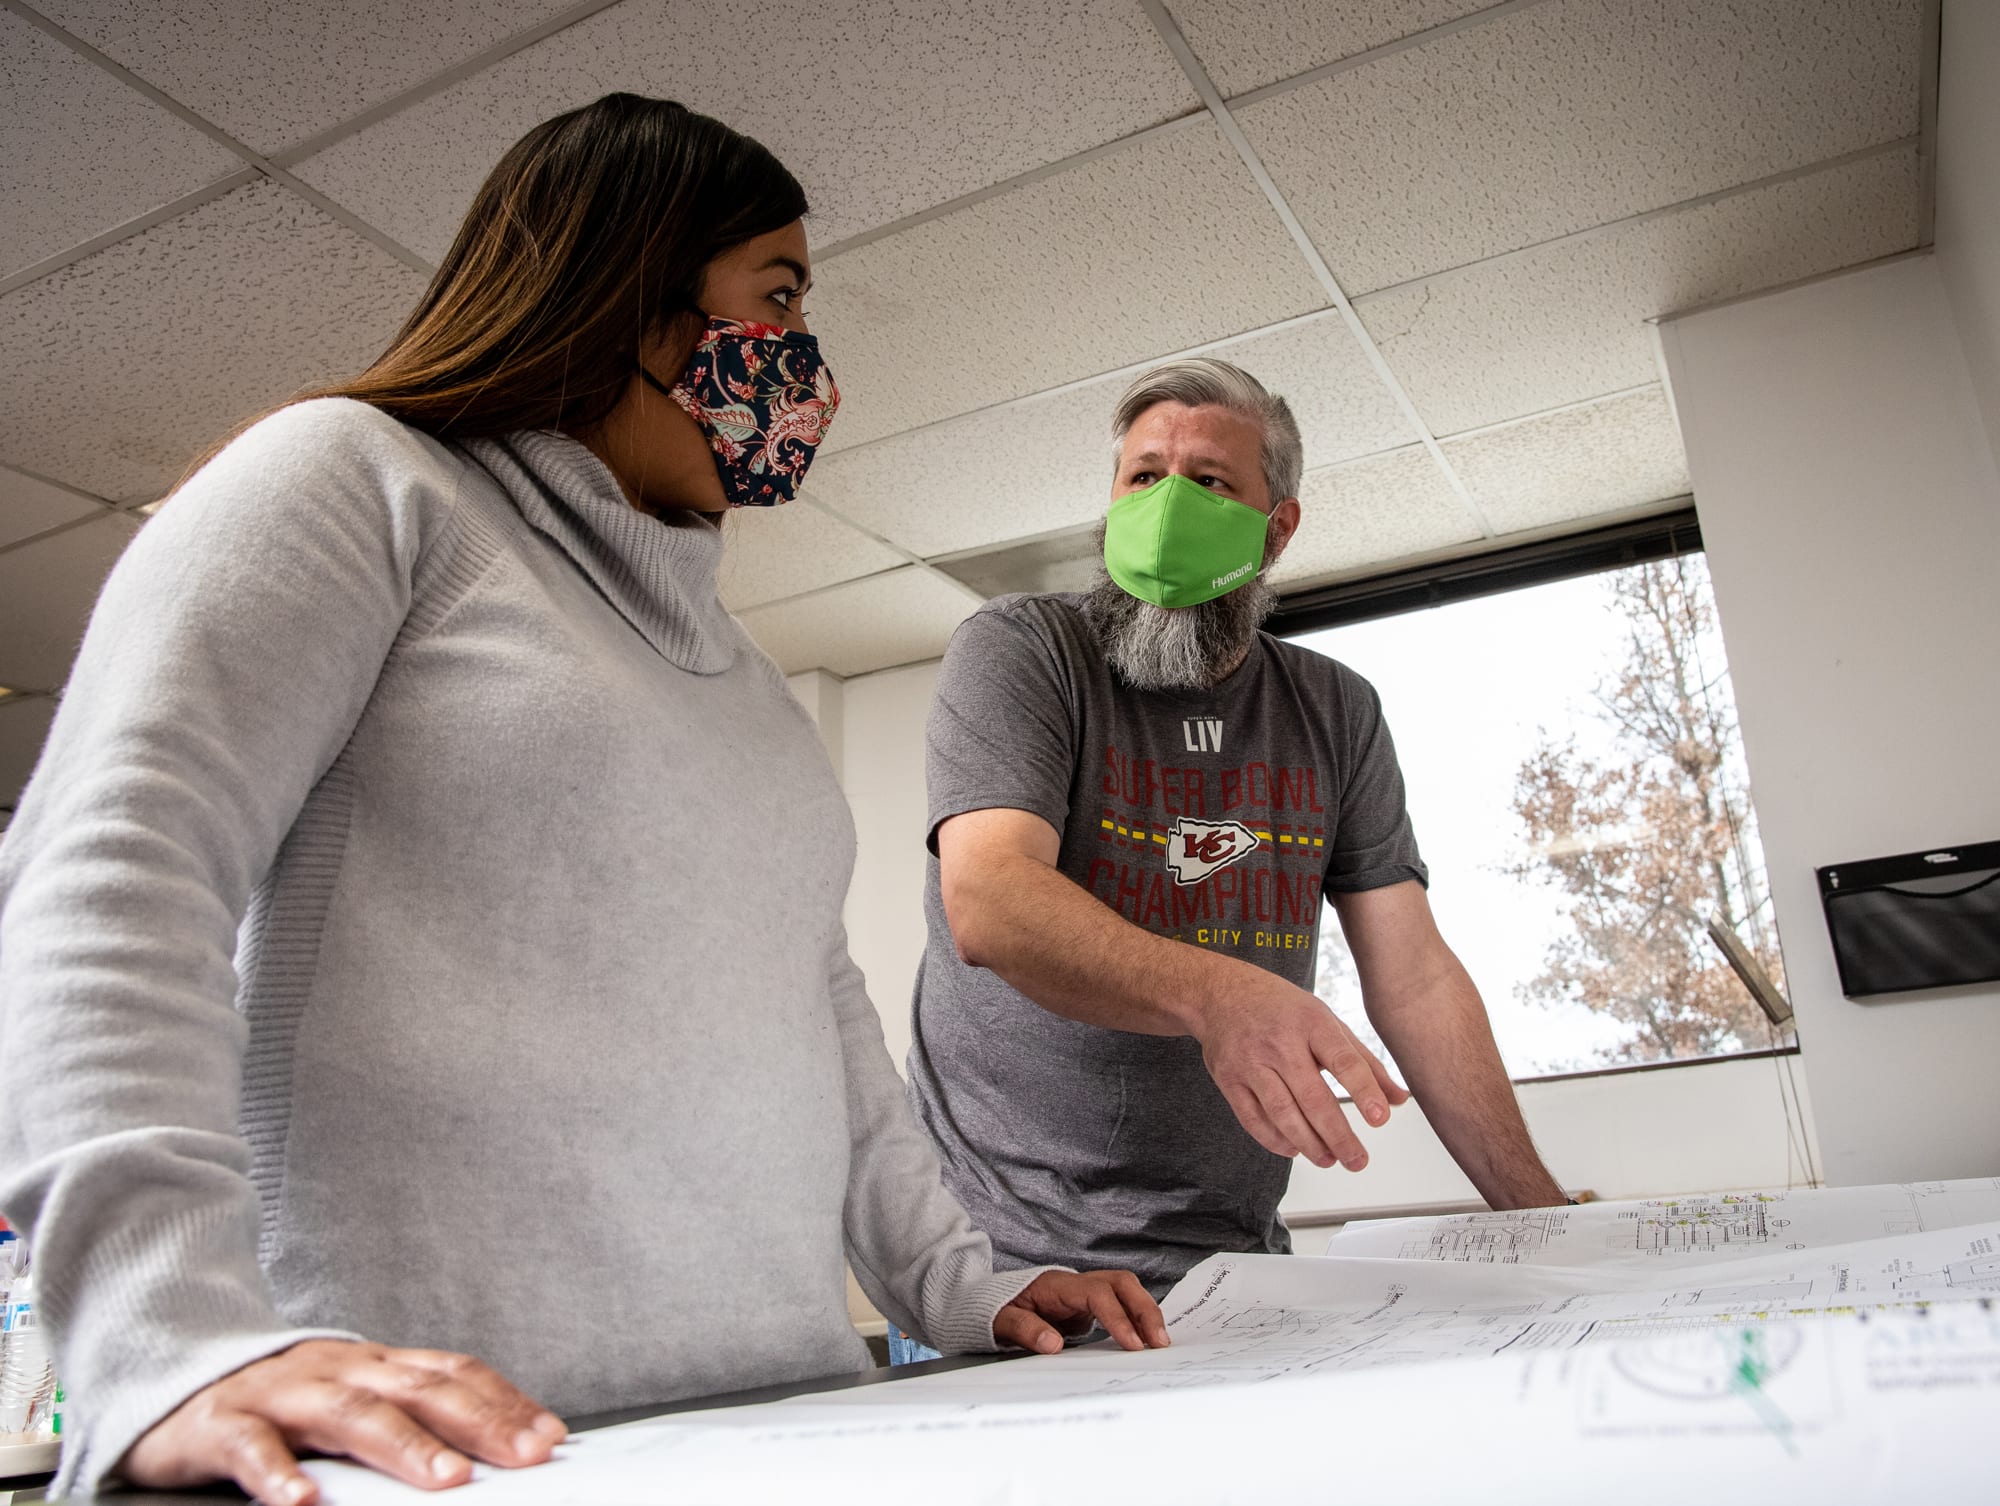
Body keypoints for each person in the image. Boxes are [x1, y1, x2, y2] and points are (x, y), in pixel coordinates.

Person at [0, 94, 1165, 1505]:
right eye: (780, 297)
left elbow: (829, 1022)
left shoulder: (747, 684)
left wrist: (960, 1281)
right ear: (631, 290)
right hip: (423, 1459)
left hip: (769, 1430)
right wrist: (166, 1334)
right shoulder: (355, 479)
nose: (808, 368)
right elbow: (110, 869)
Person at [897, 356, 1566, 1344]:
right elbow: (990, 900)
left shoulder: (1334, 712)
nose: (1166, 504)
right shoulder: (1023, 649)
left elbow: (1415, 976)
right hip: (1011, 1275)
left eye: (1207, 482)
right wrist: (1219, 995)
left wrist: (1546, 1223)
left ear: (1275, 525)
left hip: (1232, 1273)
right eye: (1141, 476)